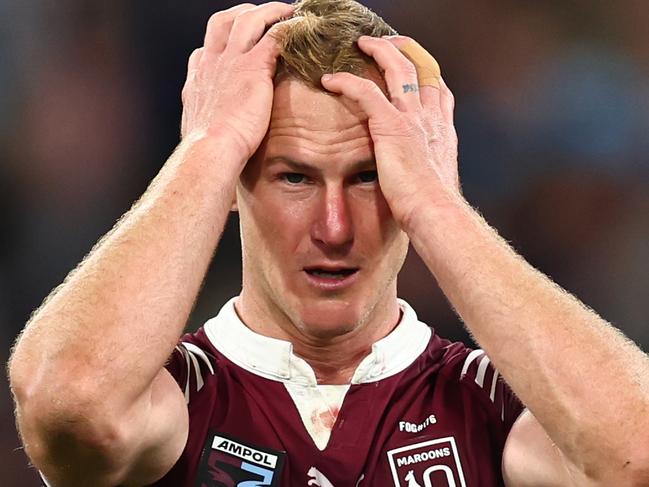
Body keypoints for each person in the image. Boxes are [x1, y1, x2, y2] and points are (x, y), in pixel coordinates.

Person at [8, 1, 649, 486]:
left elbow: (636, 452)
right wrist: (208, 149)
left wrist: (438, 205)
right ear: (231, 183)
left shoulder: (491, 407)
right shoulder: (174, 397)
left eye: (370, 177)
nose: (334, 227)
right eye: (294, 177)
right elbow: (68, 403)